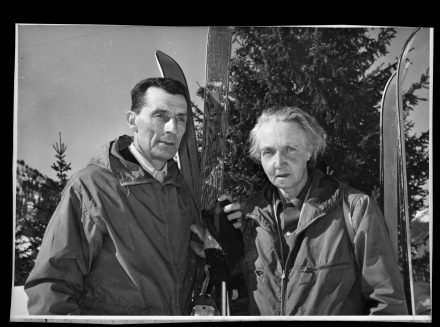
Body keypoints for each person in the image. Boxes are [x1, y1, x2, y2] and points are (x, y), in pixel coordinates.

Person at [24, 77, 204, 315]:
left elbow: (195, 273)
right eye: (160, 116)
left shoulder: (182, 191)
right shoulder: (91, 187)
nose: (172, 128)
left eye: (181, 119)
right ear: (132, 121)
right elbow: (51, 287)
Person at [221, 106, 409, 315]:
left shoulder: (355, 210)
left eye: (290, 149)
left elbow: (387, 304)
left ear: (309, 151)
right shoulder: (250, 220)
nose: (278, 162)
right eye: (268, 152)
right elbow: (239, 301)